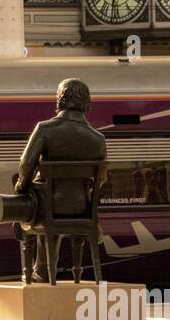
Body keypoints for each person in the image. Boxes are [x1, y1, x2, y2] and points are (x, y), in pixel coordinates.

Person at [14, 77, 107, 283]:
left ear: (60, 99)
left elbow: (25, 165)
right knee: (51, 206)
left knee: (36, 209)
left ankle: (43, 271)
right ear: (86, 102)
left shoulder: (45, 129)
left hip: (48, 207)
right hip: (82, 209)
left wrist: (21, 187)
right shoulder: (98, 139)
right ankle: (77, 270)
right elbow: (101, 179)